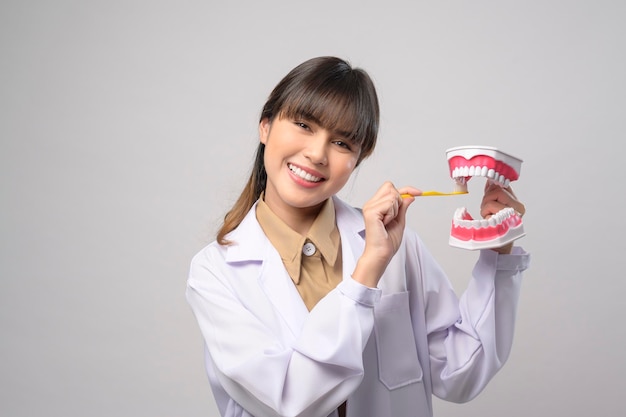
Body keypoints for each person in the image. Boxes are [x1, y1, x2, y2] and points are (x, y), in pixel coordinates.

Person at [186, 56, 530, 417]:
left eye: (342, 143)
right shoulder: (215, 272)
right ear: (266, 126)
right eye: (303, 124)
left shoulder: (396, 245)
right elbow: (292, 402)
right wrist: (368, 270)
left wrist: (499, 251)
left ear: (358, 158)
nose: (317, 154)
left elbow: (461, 374)